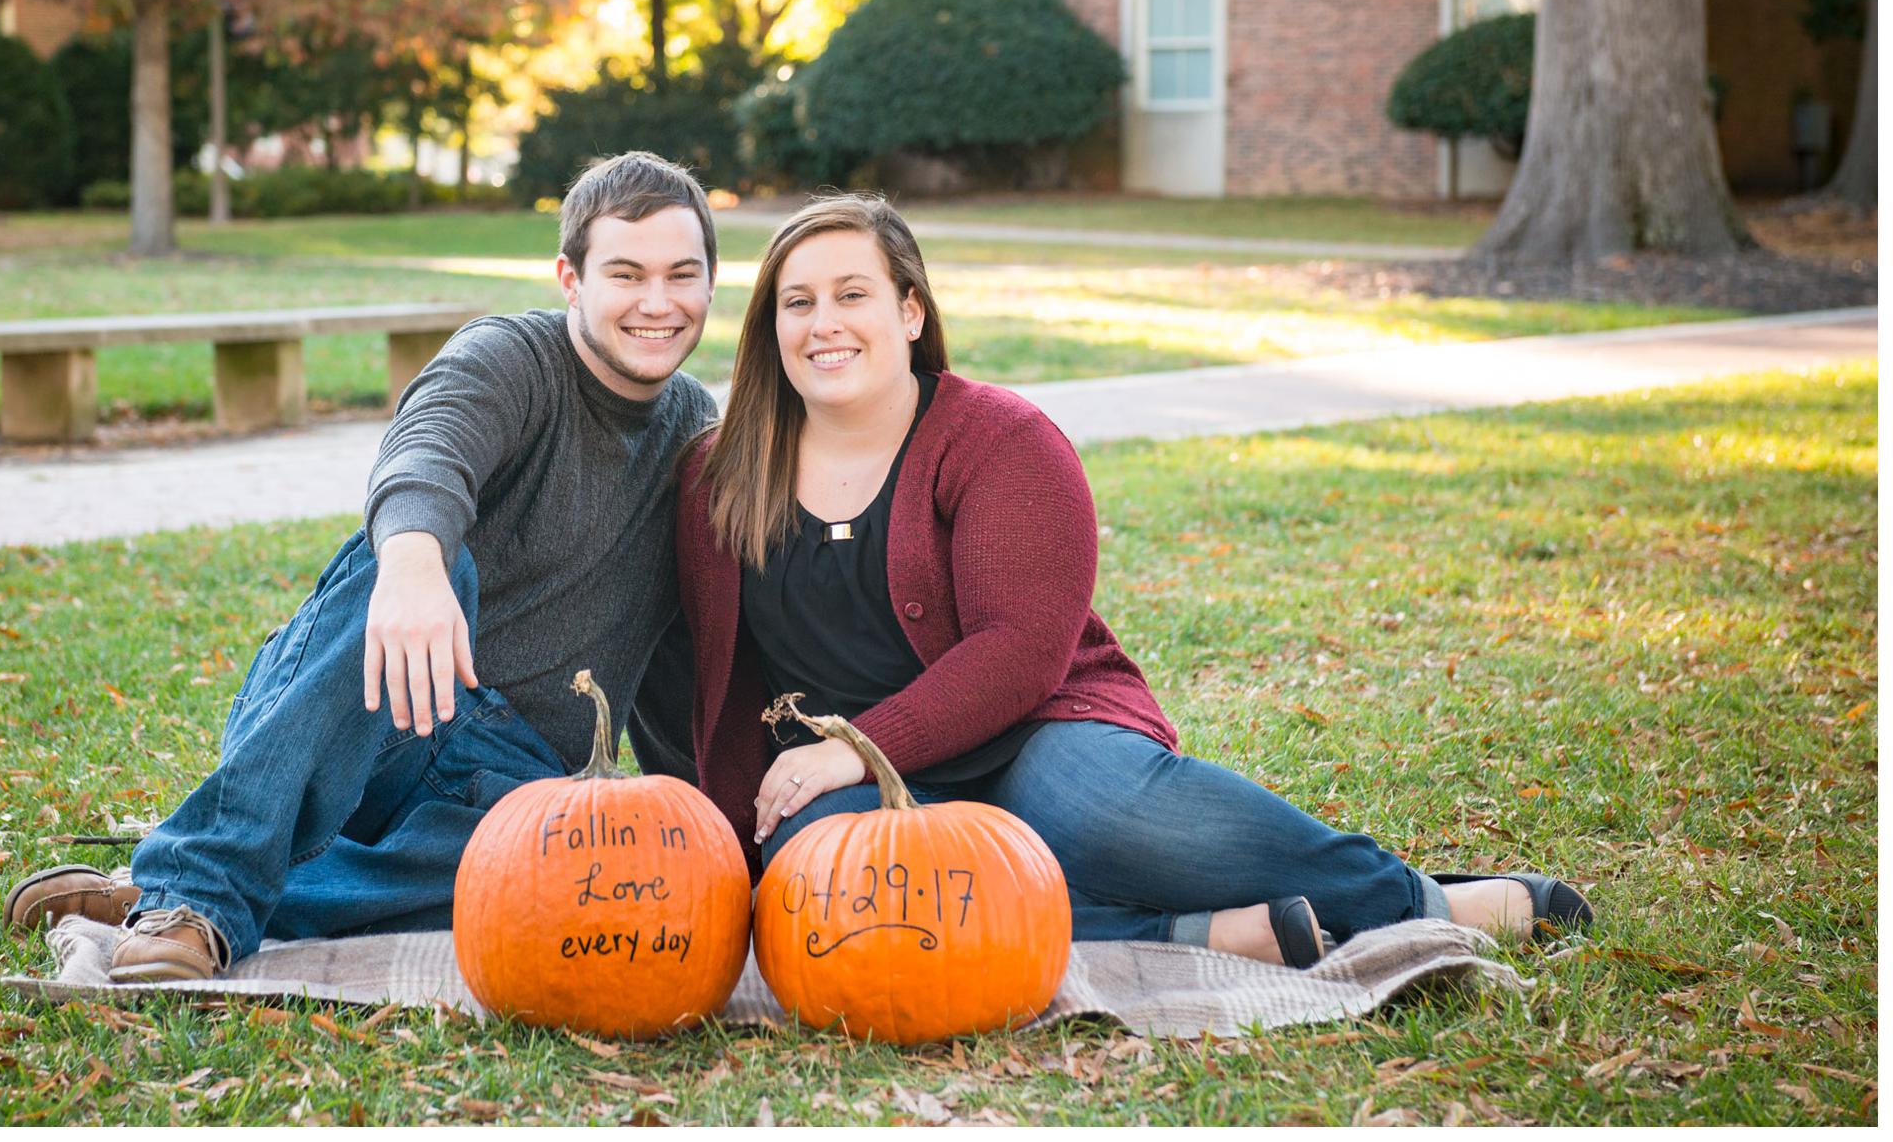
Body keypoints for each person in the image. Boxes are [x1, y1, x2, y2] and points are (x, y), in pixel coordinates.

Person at [675, 195, 1592, 967]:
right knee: (825, 897)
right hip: (858, 784)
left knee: (1104, 817)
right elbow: (707, 667)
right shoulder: (722, 475)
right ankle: (1196, 937)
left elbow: (1021, 653)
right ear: (771, 328)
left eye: (851, 294)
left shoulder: (1000, 440)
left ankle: (1419, 899)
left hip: (1034, 729)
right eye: (797, 302)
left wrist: (854, 743)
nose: (823, 323)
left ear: (910, 311)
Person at [1, 152, 721, 981]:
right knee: (417, 567)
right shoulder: (512, 358)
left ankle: (162, 892)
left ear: (710, 282)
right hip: (393, 710)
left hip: (508, 784)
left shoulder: (695, 434)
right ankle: (195, 893)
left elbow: (679, 636)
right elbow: (428, 452)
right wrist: (414, 564)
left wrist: (708, 816)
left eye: (682, 275)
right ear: (571, 277)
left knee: (543, 880)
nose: (657, 303)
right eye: (626, 274)